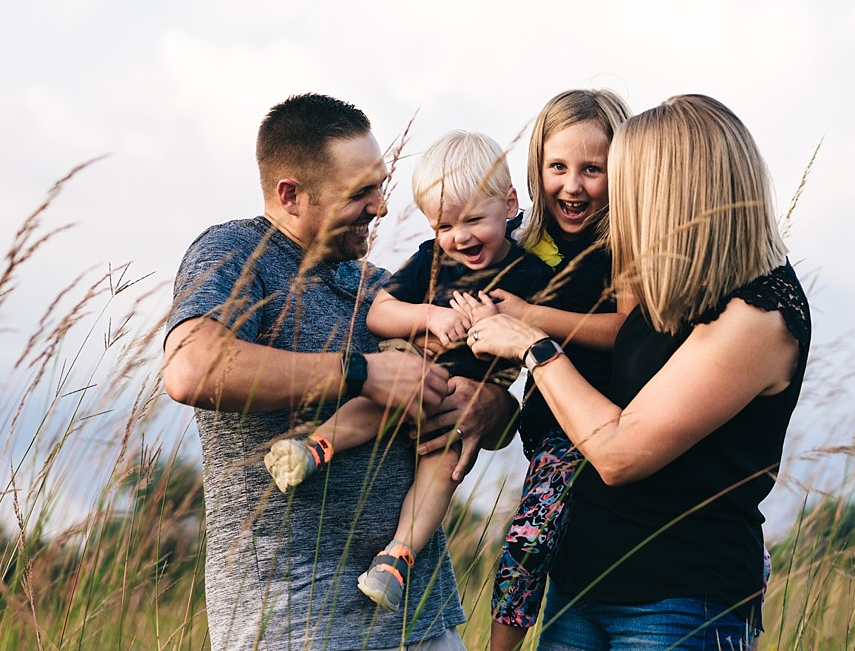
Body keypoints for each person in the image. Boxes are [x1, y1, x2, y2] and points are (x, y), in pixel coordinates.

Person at [162, 94, 517, 651]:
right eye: (360, 193)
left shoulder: (376, 283)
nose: (380, 206)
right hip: (298, 624)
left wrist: (490, 407)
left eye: (380, 185)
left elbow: (488, 411)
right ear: (291, 195)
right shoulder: (237, 250)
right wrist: (363, 374)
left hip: (421, 618)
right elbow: (191, 369)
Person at [461, 94, 811, 650]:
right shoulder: (669, 275)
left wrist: (533, 344)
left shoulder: (759, 313)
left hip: (676, 603)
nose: (616, 197)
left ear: (679, 186)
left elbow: (621, 453)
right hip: (580, 585)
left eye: (628, 179)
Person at [263, 130, 552, 614]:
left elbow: (545, 342)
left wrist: (504, 322)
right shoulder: (431, 260)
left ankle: (396, 559)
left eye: (474, 220)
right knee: (378, 399)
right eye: (443, 226)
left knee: (443, 472)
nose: (459, 237)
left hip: (468, 395)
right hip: (413, 373)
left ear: (508, 204)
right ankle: (315, 447)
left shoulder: (531, 276)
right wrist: (432, 317)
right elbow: (380, 314)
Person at [457, 89, 633, 651]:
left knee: (528, 538)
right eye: (558, 167)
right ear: (537, 170)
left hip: (597, 418)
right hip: (544, 423)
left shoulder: (625, 243)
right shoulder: (527, 240)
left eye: (592, 169)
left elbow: (623, 328)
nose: (573, 186)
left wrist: (532, 319)